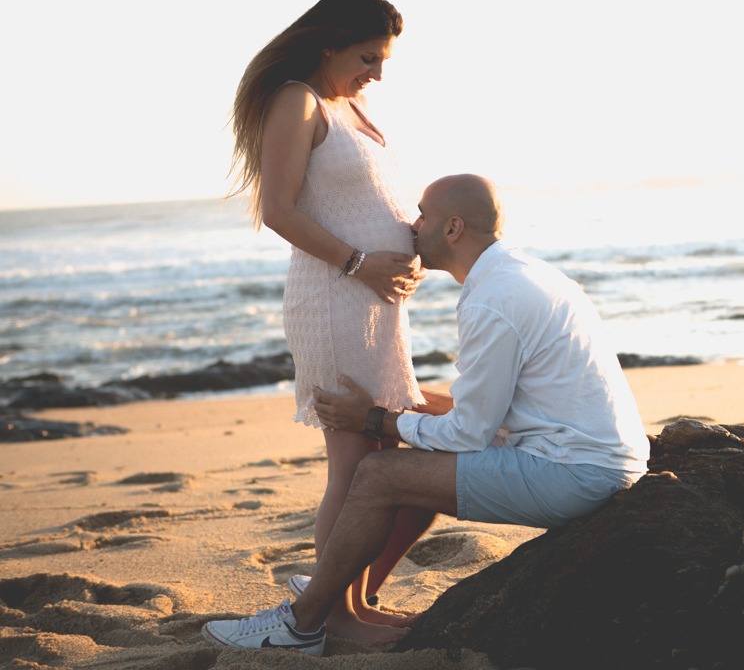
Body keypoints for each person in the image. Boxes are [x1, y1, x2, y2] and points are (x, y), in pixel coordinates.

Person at [203, 174, 649, 655]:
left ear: (453, 228)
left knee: (380, 474)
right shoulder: (523, 275)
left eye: (421, 215)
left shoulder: (493, 300)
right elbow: (487, 412)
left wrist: (374, 420)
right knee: (418, 467)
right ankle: (349, 598)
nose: (410, 227)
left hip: (575, 474)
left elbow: (469, 433)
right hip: (590, 459)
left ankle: (301, 625)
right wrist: (399, 401)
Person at [227, 0, 444, 643]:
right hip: (334, 301)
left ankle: (354, 598)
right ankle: (337, 617)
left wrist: (412, 251)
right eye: (367, 57)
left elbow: (369, 201)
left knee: (385, 456)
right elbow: (279, 210)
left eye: (382, 60)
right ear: (329, 45)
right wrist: (360, 263)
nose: (376, 72)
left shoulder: (352, 103)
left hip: (376, 305)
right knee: (353, 466)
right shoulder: (297, 100)